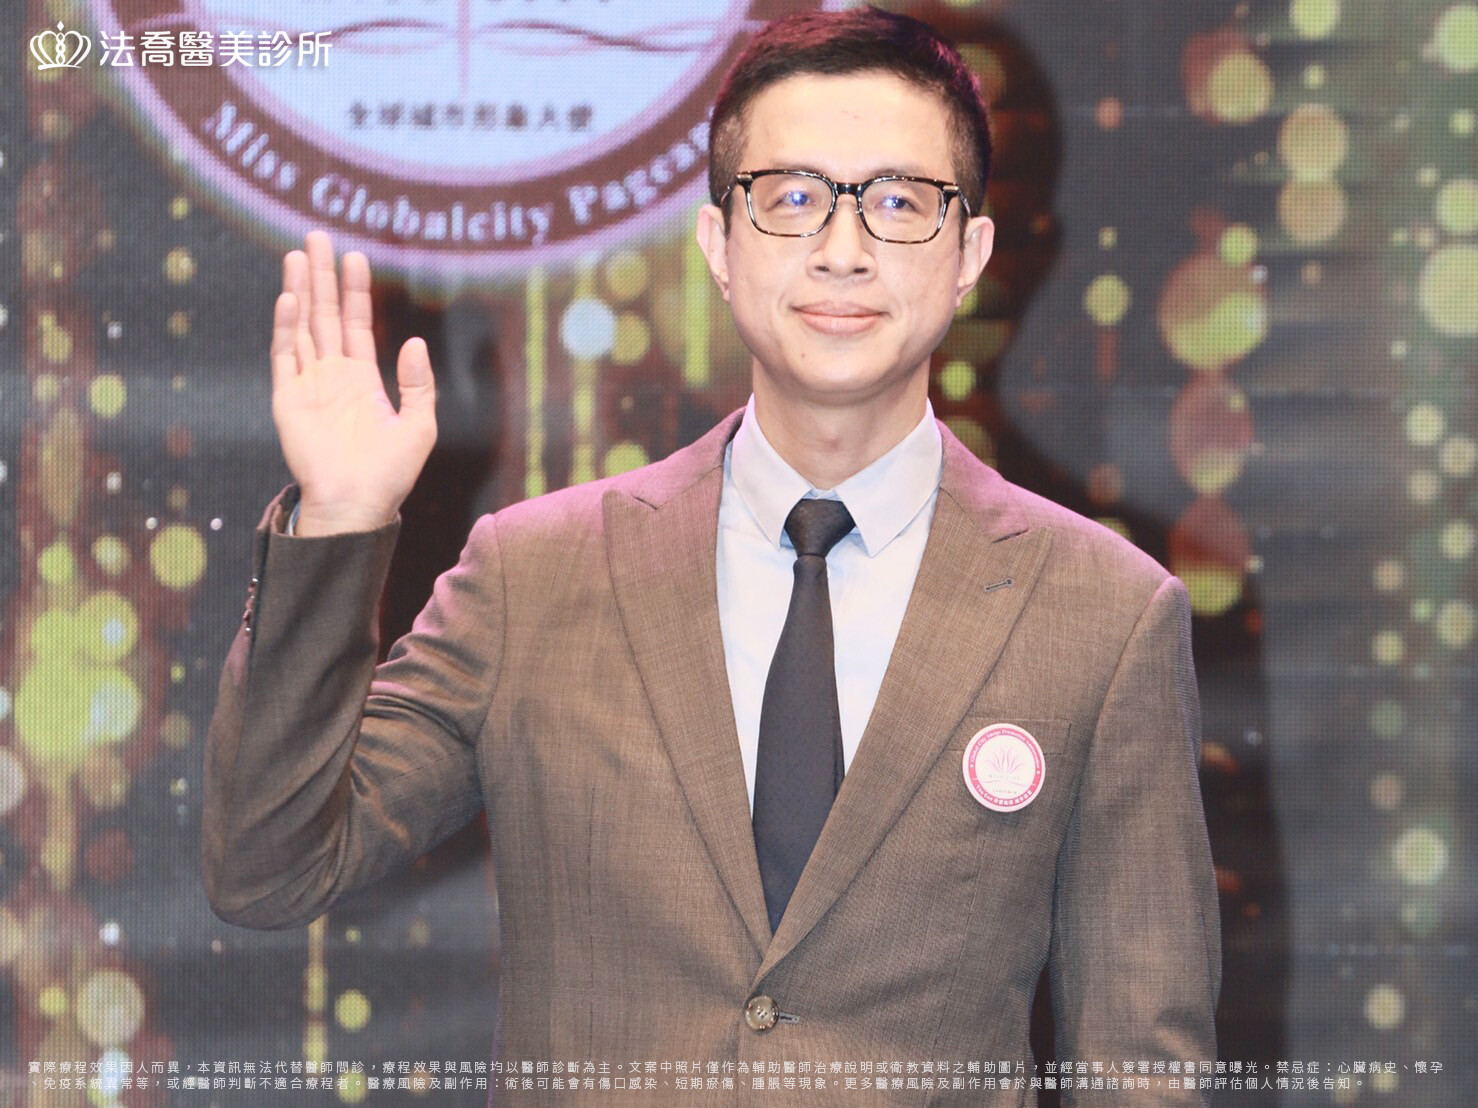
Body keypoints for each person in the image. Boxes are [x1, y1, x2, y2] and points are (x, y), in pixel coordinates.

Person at [204, 7, 1220, 1103]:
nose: (842, 249)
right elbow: (270, 867)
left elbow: (1142, 1069)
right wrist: (339, 521)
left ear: (968, 251)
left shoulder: (1102, 614)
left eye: (897, 202)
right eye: (791, 198)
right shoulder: (533, 575)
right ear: (717, 246)